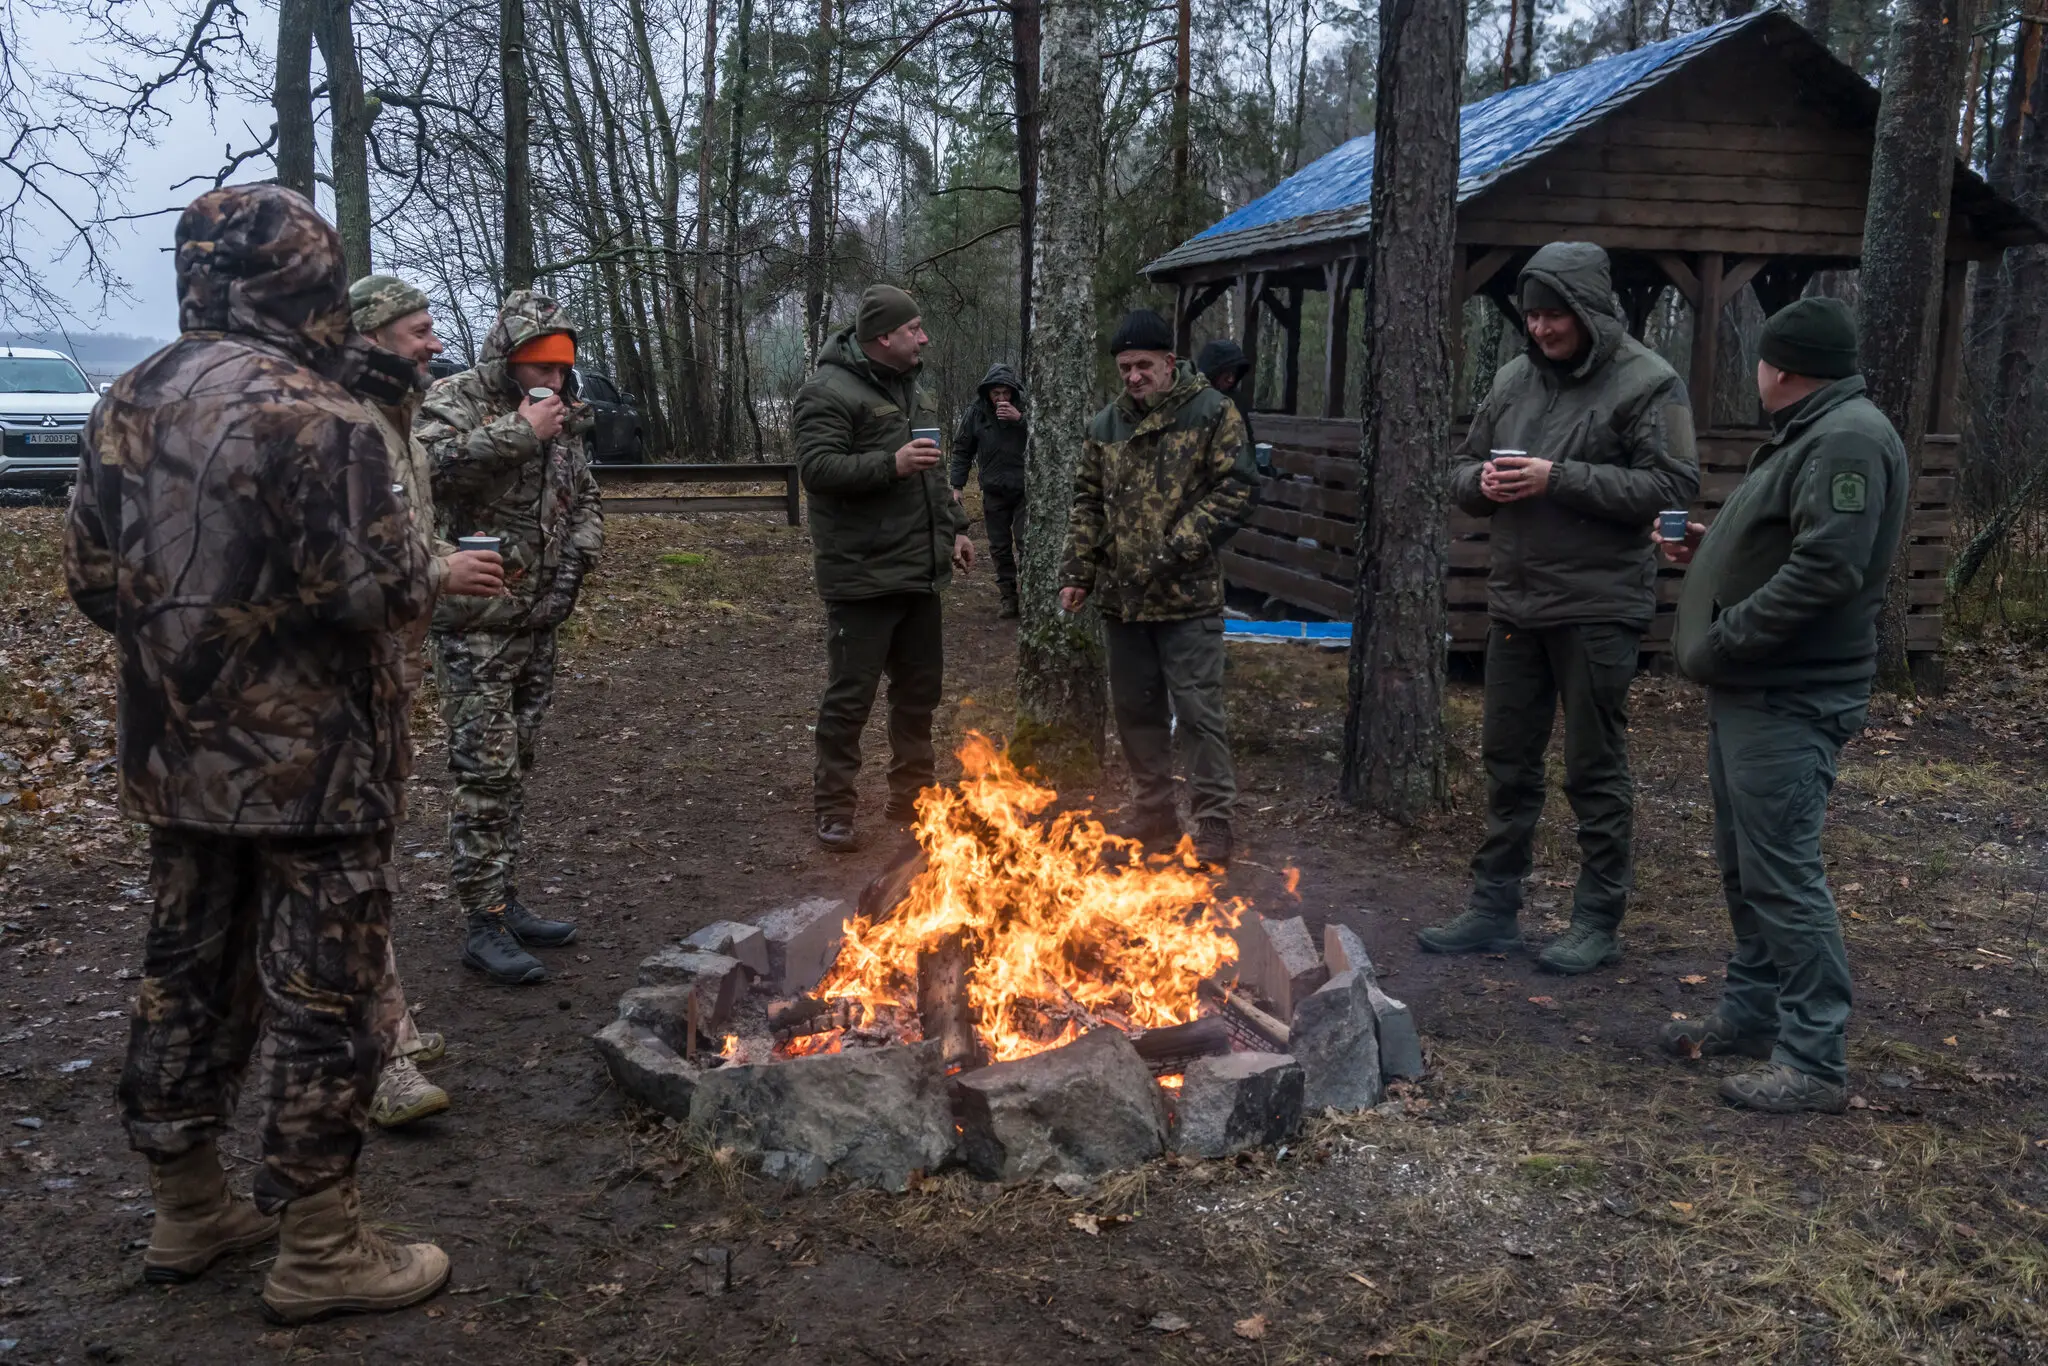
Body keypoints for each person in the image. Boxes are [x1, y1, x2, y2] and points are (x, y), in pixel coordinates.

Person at [63, 183, 449, 1322]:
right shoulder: (314, 414)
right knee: (321, 993)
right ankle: (320, 1247)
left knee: (185, 971)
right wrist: (422, 573)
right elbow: (372, 591)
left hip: (177, 756)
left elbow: (92, 580)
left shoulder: (127, 399)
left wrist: (191, 648)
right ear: (313, 280)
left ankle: (188, 1206)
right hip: (316, 769)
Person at [1656, 297, 1906, 1115]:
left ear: (1783, 367)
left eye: (1760, 360)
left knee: (1784, 875)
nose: (1755, 371)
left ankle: (1813, 1058)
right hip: (1756, 692)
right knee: (1748, 868)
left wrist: (1728, 635)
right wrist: (1713, 554)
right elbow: (1788, 546)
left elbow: (1828, 571)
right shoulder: (1814, 433)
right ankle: (1752, 1014)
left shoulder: (1848, 439)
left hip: (1788, 693)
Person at [1424, 241, 1700, 974]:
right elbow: (1459, 468)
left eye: (1554, 314)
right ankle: (1493, 909)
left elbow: (1671, 487)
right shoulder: (1514, 378)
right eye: (1533, 314)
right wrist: (1481, 482)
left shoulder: (1648, 381)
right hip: (1517, 599)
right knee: (1508, 763)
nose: (1542, 329)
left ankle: (1597, 920)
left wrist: (1559, 478)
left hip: (1599, 605)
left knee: (1593, 767)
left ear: (1588, 308)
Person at [349, 275, 507, 1126]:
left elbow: (407, 532)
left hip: (387, 674)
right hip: (327, 691)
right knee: (344, 878)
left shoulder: (395, 417)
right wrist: (435, 572)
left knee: (369, 861)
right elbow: (342, 567)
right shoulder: (339, 425)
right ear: (370, 333)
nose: (434, 342)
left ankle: (393, 1025)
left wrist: (441, 559)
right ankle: (376, 1060)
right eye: (417, 330)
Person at [419, 291, 603, 984]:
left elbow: (582, 494)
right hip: (475, 627)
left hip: (536, 622)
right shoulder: (457, 399)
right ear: (508, 360)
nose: (553, 381)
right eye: (540, 368)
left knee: (517, 763)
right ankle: (481, 920)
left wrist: (577, 565)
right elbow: (429, 472)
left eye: (562, 369)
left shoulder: (565, 415)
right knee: (484, 771)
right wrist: (522, 431)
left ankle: (504, 898)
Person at [1060, 309, 1256, 867]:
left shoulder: (1212, 413)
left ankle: (1214, 820)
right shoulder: (1105, 426)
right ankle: (1154, 814)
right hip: (1123, 601)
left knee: (1198, 711)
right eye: (1124, 367)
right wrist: (1078, 573)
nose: (1133, 377)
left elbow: (1237, 488)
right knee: (1136, 710)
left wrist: (1175, 547)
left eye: (1143, 365)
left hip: (1187, 596)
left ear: (1170, 364)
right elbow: (1087, 504)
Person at [794, 283, 974, 852]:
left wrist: (959, 527)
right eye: (914, 328)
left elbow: (934, 472)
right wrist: (889, 464)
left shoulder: (913, 389)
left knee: (920, 692)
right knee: (851, 697)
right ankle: (834, 808)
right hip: (862, 575)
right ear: (882, 337)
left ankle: (914, 798)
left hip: (920, 571)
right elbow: (817, 470)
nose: (925, 337)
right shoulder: (827, 391)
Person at [949, 363, 1028, 619]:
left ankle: (1031, 596)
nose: (1002, 398)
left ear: (1014, 392)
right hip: (993, 489)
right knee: (999, 546)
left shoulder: (1027, 409)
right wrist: (957, 486)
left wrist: (1020, 420)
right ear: (988, 394)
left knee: (1027, 541)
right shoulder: (976, 413)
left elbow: (1050, 437)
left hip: (1025, 489)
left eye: (1006, 392)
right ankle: (1008, 597)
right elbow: (962, 450)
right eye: (997, 393)